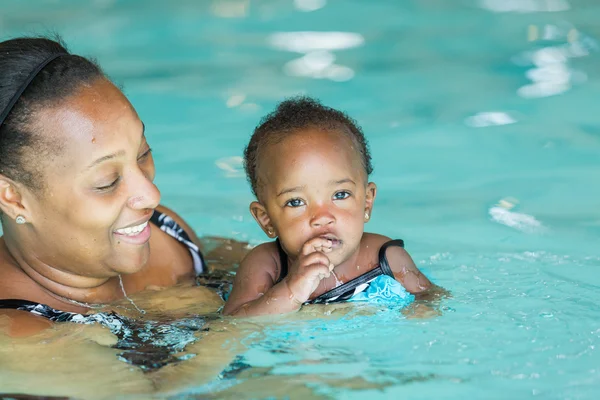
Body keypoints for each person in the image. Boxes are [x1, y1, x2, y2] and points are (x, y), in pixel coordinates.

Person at [0, 36, 245, 336]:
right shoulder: (17, 333)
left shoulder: (167, 234)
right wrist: (257, 318)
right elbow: (164, 386)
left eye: (143, 154)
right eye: (107, 182)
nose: (151, 196)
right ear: (12, 198)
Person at [224, 97, 443, 317]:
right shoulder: (267, 265)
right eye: (296, 202)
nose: (322, 217)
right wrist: (291, 289)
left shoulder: (385, 259)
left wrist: (420, 313)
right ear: (266, 219)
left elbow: (431, 300)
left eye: (340, 195)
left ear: (366, 202)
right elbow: (234, 323)